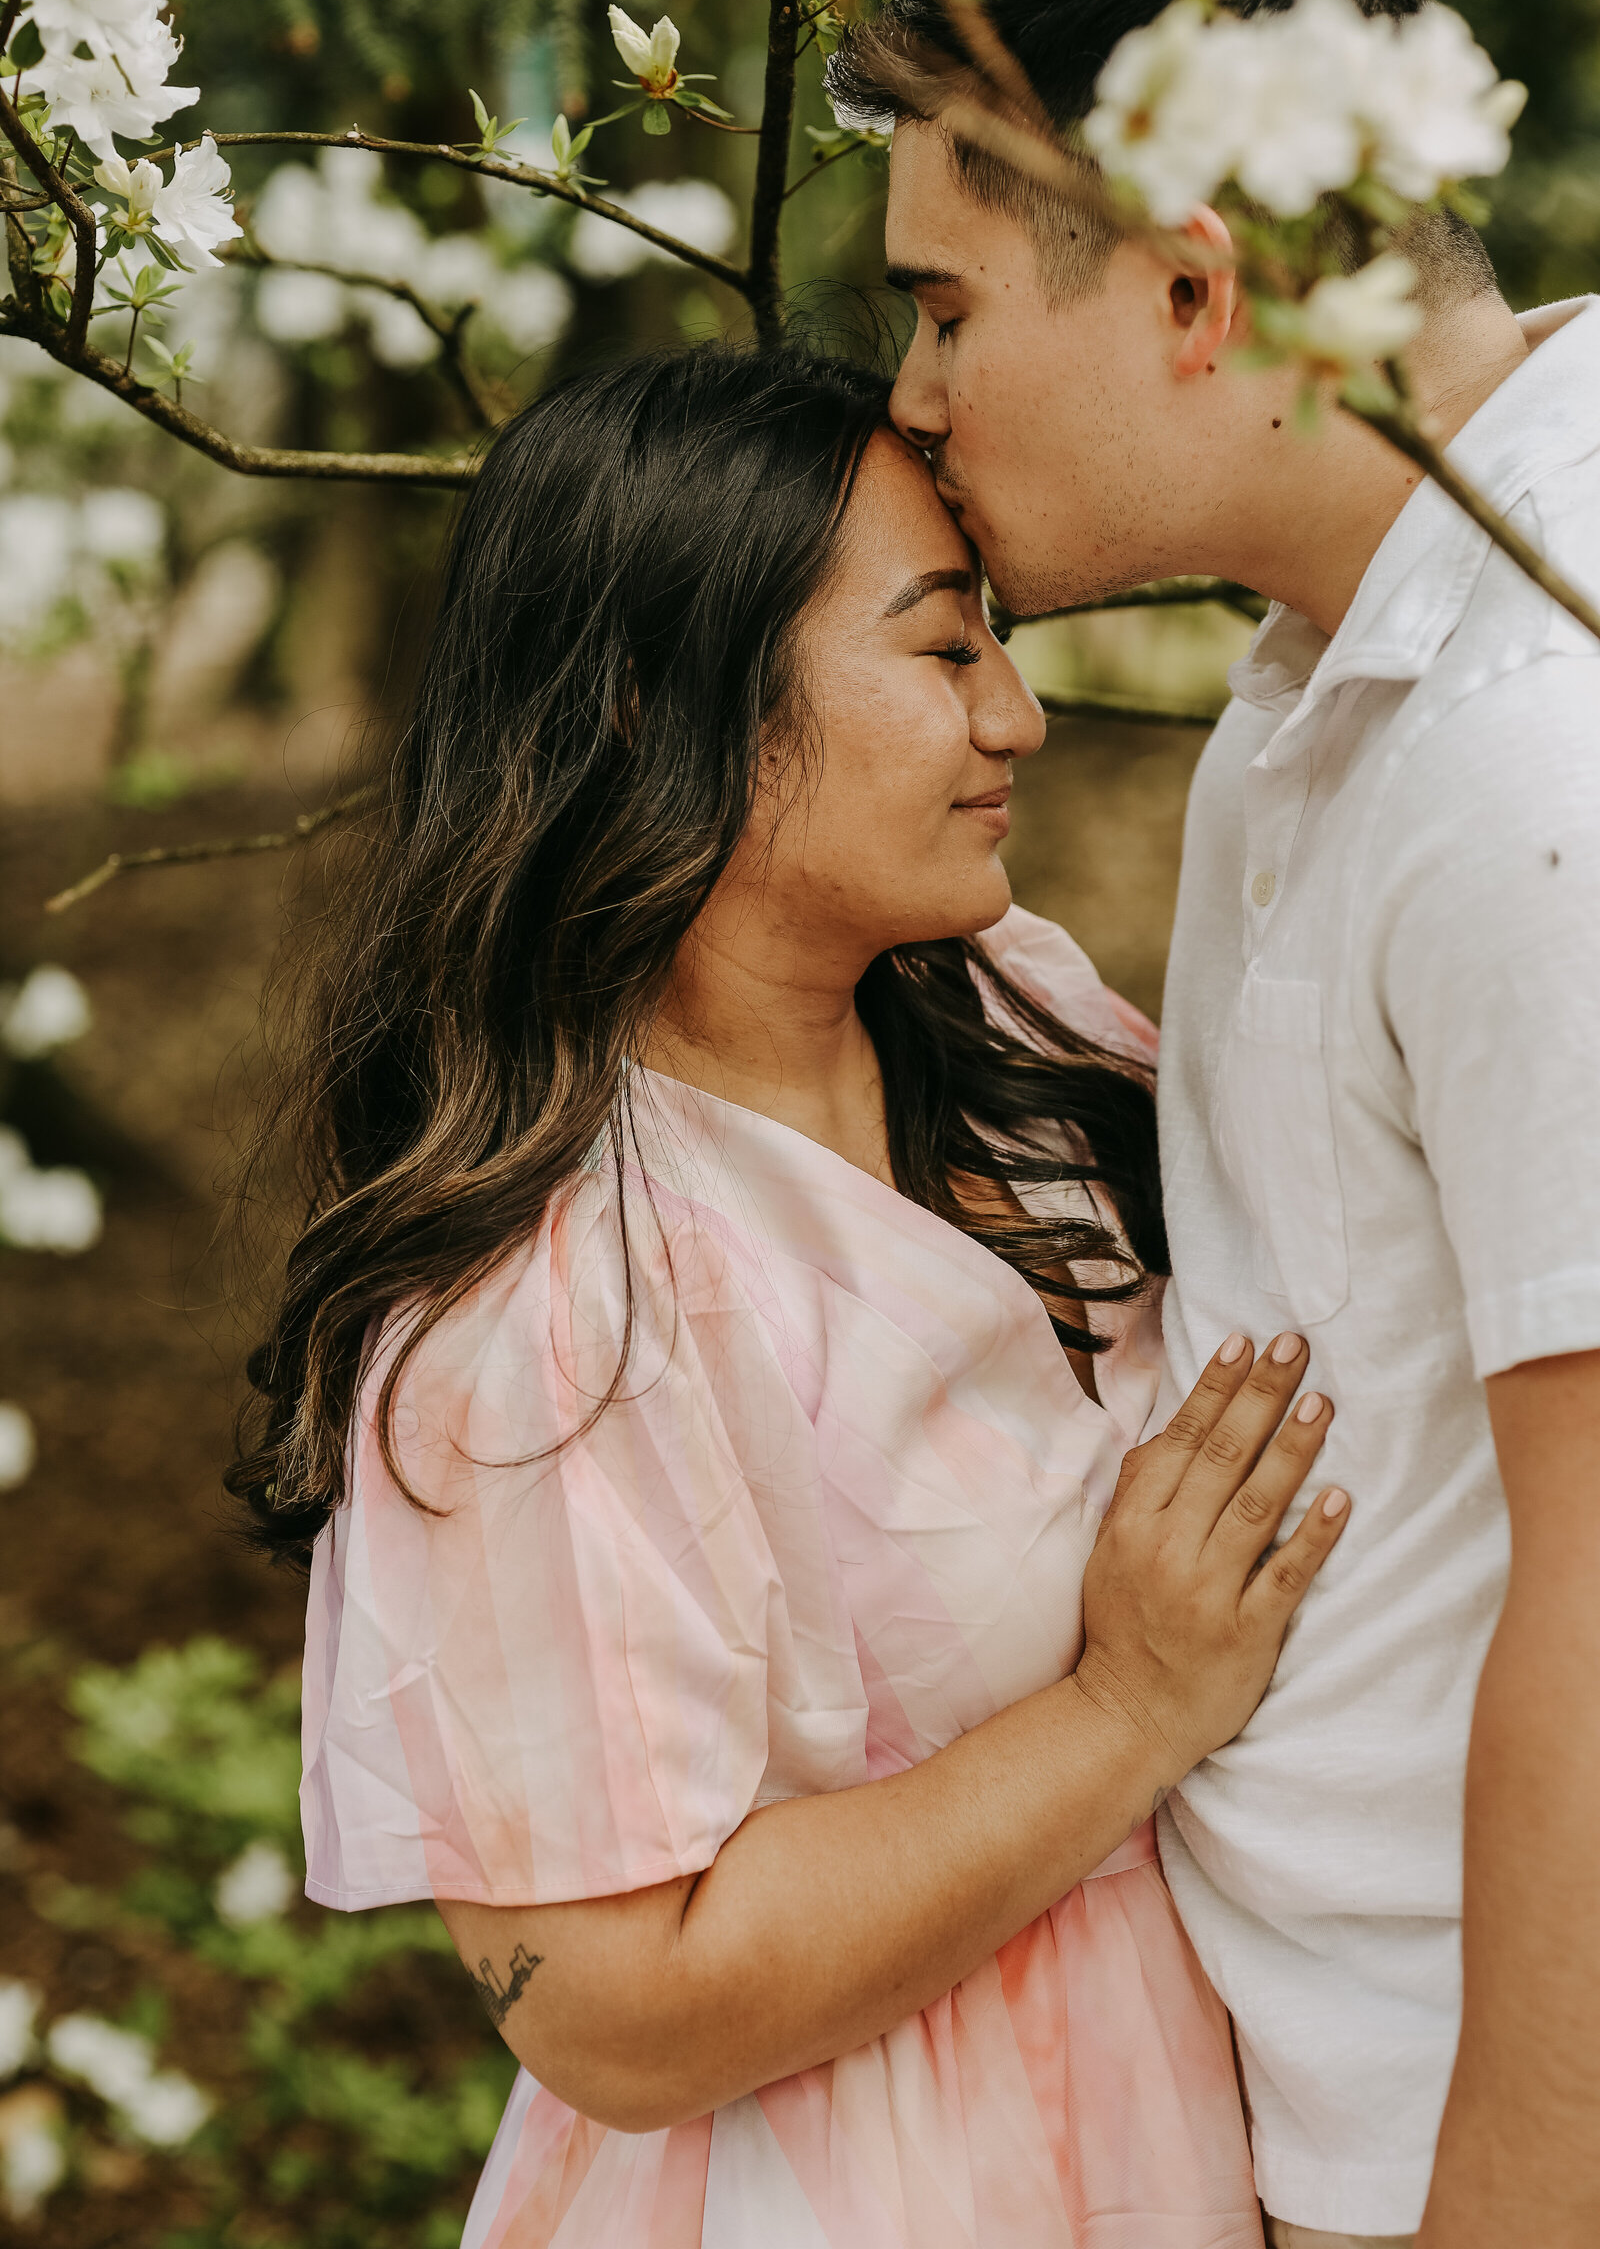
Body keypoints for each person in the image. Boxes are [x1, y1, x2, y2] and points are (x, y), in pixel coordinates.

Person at [230, 341, 1351, 2247]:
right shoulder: (544, 1322)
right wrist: (1127, 1712)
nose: (1018, 716)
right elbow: (617, 2011)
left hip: (1210, 2116)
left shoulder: (1014, 1017)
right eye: (940, 650)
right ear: (676, 706)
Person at [827, 0, 1600, 2246]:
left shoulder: (1528, 754)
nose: (913, 395)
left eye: (942, 308)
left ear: (1195, 282)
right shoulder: (1325, 674)